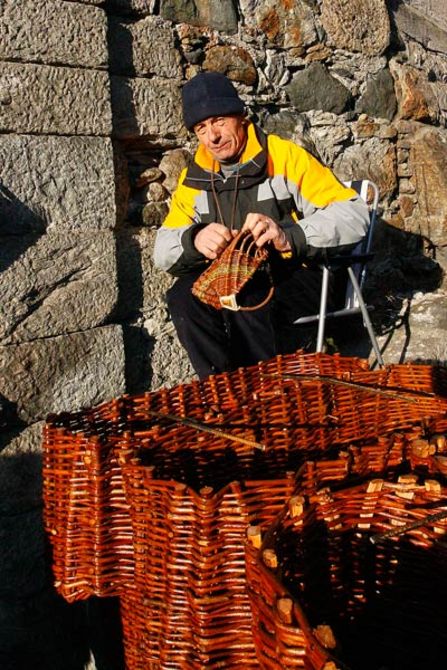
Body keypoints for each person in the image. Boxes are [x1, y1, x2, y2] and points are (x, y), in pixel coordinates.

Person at [153, 71, 369, 379]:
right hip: (234, 280)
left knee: (247, 294)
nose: (212, 136)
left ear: (240, 116)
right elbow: (162, 250)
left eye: (219, 121)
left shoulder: (284, 156)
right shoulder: (195, 178)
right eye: (201, 128)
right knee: (183, 297)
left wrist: (289, 236)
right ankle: (222, 388)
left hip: (303, 274)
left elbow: (353, 214)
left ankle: (263, 390)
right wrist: (195, 239)